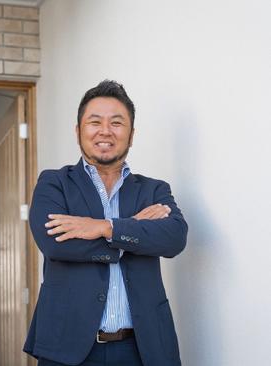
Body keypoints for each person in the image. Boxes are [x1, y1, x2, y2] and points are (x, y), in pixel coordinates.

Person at [23, 80, 188, 366]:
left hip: (143, 349)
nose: (105, 131)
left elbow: (173, 238)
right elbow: (55, 244)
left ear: (131, 134)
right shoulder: (54, 182)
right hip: (68, 347)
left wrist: (105, 227)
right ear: (78, 131)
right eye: (94, 121)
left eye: (117, 122)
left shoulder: (154, 190)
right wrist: (134, 229)